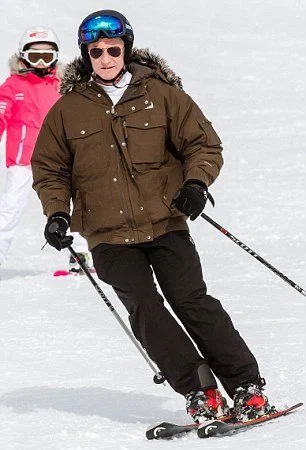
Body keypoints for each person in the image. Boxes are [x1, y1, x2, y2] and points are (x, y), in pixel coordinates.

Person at [31, 10, 275, 423]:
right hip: (107, 234)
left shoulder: (161, 95)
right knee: (145, 307)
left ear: (125, 47)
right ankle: (200, 392)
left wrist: (196, 184)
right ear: (85, 55)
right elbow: (50, 170)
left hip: (165, 222)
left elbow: (204, 144)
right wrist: (56, 213)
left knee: (191, 300)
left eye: (112, 49)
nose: (105, 58)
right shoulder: (67, 110)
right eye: (95, 51)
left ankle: (246, 386)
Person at [0, 26, 89, 272]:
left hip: (57, 159)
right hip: (23, 160)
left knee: (69, 203)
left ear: (56, 57)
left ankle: (79, 253)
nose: (40, 62)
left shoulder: (61, 86)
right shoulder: (12, 86)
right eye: (34, 56)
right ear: (22, 56)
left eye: (47, 56)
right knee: (10, 208)